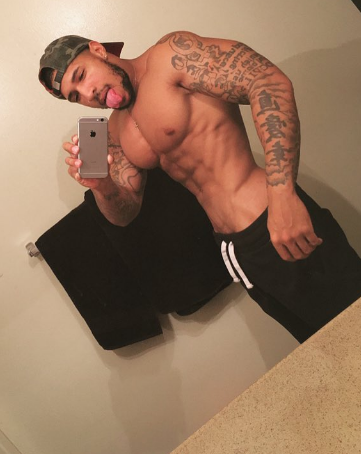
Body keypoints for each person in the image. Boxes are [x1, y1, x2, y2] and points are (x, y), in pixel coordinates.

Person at [38, 32, 361, 343]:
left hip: (274, 219)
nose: (88, 93)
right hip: (236, 252)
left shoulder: (169, 57)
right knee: (325, 352)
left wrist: (283, 195)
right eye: (75, 96)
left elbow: (265, 81)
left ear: (98, 50)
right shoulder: (116, 131)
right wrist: (102, 186)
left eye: (82, 76)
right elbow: (125, 212)